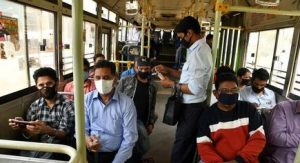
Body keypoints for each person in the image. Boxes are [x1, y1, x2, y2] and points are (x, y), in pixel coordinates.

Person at [154, 16, 213, 163]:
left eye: (181, 37)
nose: (180, 41)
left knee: (182, 146)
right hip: (189, 106)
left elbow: (194, 88)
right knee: (183, 143)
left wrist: (171, 85)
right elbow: (187, 77)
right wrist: (167, 70)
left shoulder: (199, 53)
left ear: (189, 33)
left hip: (193, 108)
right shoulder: (195, 50)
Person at [197, 73, 266, 162]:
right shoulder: (207, 115)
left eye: (234, 90)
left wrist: (239, 160)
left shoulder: (249, 109)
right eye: (225, 90)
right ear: (216, 93)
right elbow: (204, 145)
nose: (230, 93)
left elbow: (258, 139)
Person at [8, 67, 75, 159]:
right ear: (37, 86)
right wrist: (24, 127)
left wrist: (47, 130)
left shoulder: (68, 106)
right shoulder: (35, 106)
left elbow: (65, 135)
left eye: (49, 83)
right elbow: (33, 137)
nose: (45, 88)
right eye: (41, 85)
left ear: (56, 83)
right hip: (38, 146)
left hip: (61, 147)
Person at [84, 60, 138, 163]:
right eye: (98, 78)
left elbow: (129, 139)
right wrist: (87, 141)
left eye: (106, 78)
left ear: (115, 78)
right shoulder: (86, 100)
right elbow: (81, 129)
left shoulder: (126, 103)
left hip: (117, 154)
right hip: (91, 153)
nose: (101, 81)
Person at [117, 57, 157, 162]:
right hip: (127, 119)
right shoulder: (125, 81)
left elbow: (152, 106)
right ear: (135, 68)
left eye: (146, 69)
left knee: (138, 146)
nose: (144, 71)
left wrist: (151, 123)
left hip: (143, 120)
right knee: (142, 145)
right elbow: (116, 100)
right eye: (141, 68)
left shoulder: (152, 85)